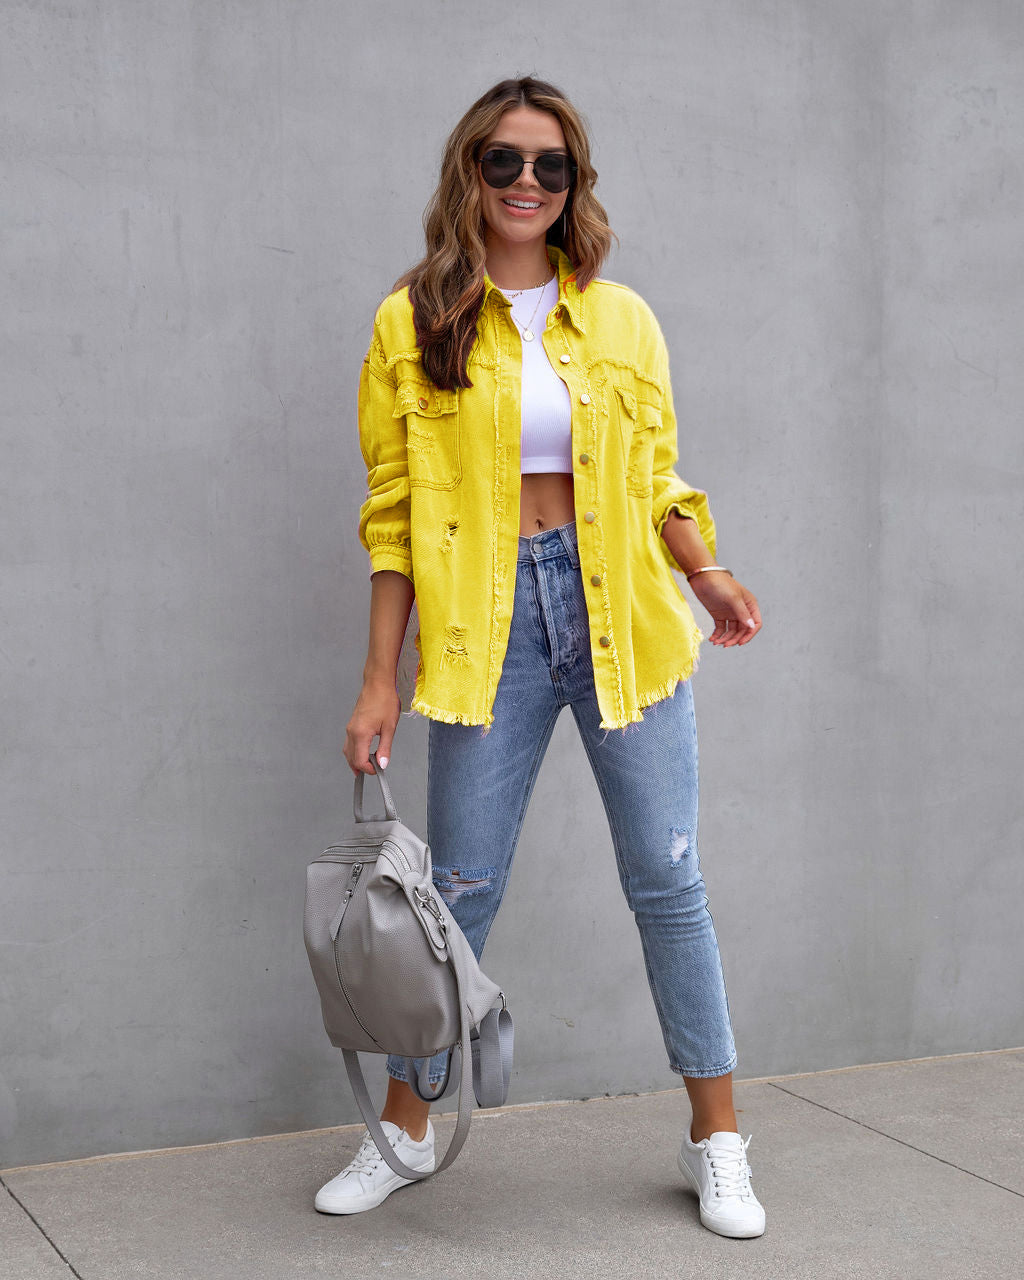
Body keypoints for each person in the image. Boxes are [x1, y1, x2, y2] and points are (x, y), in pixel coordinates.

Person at [317, 76, 766, 1239]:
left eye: (550, 165)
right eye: (504, 161)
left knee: (667, 877)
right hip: (487, 622)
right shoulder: (412, 319)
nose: (527, 182)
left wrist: (706, 568)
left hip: (623, 611)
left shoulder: (621, 319)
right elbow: (393, 513)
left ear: (574, 184)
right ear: (469, 171)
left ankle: (717, 1139)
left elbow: (656, 475)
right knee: (455, 895)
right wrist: (380, 677)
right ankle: (406, 1131)